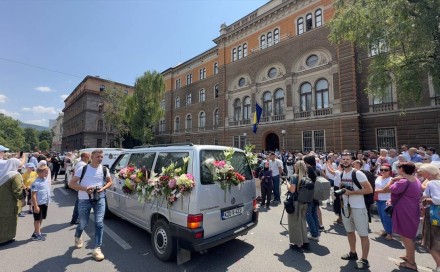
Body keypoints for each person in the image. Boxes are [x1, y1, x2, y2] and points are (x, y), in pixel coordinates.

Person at [69, 149, 113, 261]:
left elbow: (109, 181)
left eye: (101, 157)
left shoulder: (104, 169)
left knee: (99, 223)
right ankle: (78, 236)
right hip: (84, 200)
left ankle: (97, 248)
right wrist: (85, 189)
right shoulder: (82, 169)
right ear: (91, 158)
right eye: (98, 156)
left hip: (99, 199)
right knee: (83, 223)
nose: (100, 158)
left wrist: (103, 188)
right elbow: (71, 183)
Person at [382, 162, 422, 271]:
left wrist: (392, 180)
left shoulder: (403, 182)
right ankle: (409, 256)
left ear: (402, 169)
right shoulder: (415, 179)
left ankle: (412, 263)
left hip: (405, 212)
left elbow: (386, 189)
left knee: (406, 237)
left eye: (399, 167)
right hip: (411, 211)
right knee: (406, 236)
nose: (397, 169)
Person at [339, 152, 373, 270]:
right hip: (346, 208)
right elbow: (341, 189)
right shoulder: (340, 174)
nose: (345, 161)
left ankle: (364, 260)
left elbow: (369, 190)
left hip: (359, 207)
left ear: (352, 161)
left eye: (347, 159)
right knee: (349, 232)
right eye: (343, 159)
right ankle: (352, 253)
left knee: (363, 234)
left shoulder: (358, 174)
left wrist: (351, 193)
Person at [286, 160, 311, 252]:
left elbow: (292, 190)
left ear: (296, 167)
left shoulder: (294, 177)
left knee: (294, 223)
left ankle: (298, 244)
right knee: (302, 222)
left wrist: (287, 183)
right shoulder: (306, 177)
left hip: (295, 202)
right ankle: (305, 242)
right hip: (304, 202)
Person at [421, 164, 440, 272]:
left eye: (422, 172)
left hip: (434, 215)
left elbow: (438, 200)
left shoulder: (432, 183)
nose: (421, 174)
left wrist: (427, 200)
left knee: (431, 242)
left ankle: (439, 266)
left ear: (428, 173)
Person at [0, 158, 24, 245]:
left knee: (2, 220)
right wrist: (22, 199)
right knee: (9, 220)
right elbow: (17, 190)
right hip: (9, 203)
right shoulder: (15, 175)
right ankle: (5, 239)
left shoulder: (3, 173)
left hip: (2, 201)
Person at [30, 165, 51, 241]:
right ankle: (37, 235)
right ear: (39, 173)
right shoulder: (36, 183)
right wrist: (35, 206)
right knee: (37, 219)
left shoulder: (44, 180)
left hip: (44, 203)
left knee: (41, 218)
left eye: (47, 172)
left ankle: (36, 232)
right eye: (45, 172)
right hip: (38, 204)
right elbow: (33, 195)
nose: (47, 174)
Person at [303, 155, 321, 241]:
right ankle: (316, 232)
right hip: (316, 195)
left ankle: (314, 233)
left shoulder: (309, 170)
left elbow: (307, 183)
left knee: (308, 214)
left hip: (310, 195)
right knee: (314, 213)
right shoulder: (317, 170)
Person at [70, 152, 91, 224]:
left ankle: (75, 218)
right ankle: (75, 219)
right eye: (89, 156)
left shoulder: (80, 163)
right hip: (81, 186)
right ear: (85, 157)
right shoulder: (82, 165)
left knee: (79, 202)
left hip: (80, 186)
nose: (90, 158)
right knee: (80, 203)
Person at [374, 163, 393, 240]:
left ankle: (389, 233)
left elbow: (387, 190)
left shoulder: (391, 179)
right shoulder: (378, 178)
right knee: (381, 216)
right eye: (381, 169)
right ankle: (386, 230)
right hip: (379, 200)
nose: (383, 171)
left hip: (387, 200)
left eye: (386, 170)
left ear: (389, 171)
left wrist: (375, 191)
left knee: (387, 217)